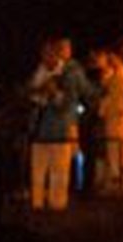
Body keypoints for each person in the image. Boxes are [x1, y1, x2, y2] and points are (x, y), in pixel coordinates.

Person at [26, 37, 100, 211]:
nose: (47, 57)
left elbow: (65, 103)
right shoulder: (40, 72)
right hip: (40, 132)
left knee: (59, 172)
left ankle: (56, 205)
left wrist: (53, 94)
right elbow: (32, 96)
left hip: (59, 130)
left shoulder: (69, 73)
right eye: (44, 54)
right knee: (39, 171)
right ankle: (38, 203)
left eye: (51, 53)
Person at [89, 49, 123, 197]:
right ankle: (106, 182)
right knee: (105, 151)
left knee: (115, 150)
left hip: (116, 118)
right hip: (106, 119)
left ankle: (115, 183)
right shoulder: (106, 76)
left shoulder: (120, 75)